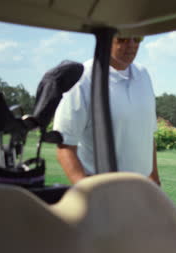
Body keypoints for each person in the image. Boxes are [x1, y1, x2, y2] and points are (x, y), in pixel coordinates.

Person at [53, 36, 161, 186]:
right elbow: (65, 147)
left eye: (137, 38)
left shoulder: (143, 74)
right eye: (123, 39)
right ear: (106, 39)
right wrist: (90, 194)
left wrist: (155, 182)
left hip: (141, 189)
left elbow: (148, 136)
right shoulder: (83, 79)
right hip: (101, 188)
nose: (131, 45)